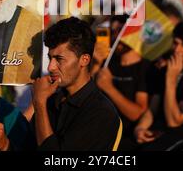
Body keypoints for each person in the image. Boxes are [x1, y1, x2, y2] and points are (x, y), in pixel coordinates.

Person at [32, 17, 122, 151]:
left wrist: (39, 105)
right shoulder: (50, 101)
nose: (51, 67)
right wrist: (6, 145)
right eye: (50, 58)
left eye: (59, 59)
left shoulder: (100, 112)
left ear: (84, 60)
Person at [135, 21, 183, 151]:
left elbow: (174, 121)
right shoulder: (164, 68)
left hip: (182, 139)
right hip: (156, 132)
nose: (177, 50)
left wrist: (171, 79)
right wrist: (140, 128)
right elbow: (153, 108)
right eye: (176, 43)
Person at [94, 14, 149, 150]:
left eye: (121, 31)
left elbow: (137, 113)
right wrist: (96, 64)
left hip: (125, 139)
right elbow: (88, 94)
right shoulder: (107, 61)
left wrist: (109, 89)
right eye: (113, 32)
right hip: (99, 134)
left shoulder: (145, 68)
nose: (115, 36)